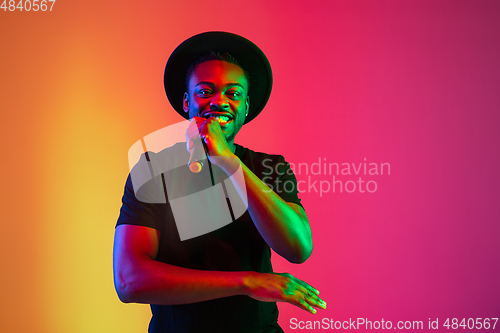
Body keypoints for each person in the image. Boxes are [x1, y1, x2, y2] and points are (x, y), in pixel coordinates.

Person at [113, 32, 326, 332]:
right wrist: (247, 282)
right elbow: (129, 280)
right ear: (187, 102)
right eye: (205, 91)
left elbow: (298, 248)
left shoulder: (270, 168)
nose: (220, 101)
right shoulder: (153, 169)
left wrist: (227, 161)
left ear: (246, 107)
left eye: (233, 93)